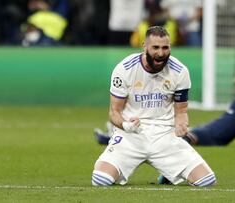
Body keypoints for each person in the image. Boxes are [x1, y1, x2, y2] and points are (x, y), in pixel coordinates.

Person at [92, 26, 216, 187]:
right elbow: (114, 112)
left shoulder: (180, 72)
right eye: (155, 47)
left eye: (165, 47)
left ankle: (168, 174)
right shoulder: (124, 69)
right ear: (144, 46)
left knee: (206, 181)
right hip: (131, 136)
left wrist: (181, 124)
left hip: (164, 136)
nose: (161, 53)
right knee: (101, 180)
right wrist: (125, 125)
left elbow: (181, 110)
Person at [96, 63, 235, 149]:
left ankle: (111, 137)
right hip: (212, 132)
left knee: (174, 139)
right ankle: (113, 136)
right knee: (173, 138)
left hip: (214, 134)